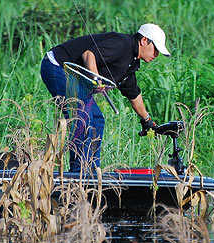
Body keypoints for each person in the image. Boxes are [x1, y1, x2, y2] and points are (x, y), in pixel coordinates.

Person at [40, 23, 170, 173]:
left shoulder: (130, 64)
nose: (156, 54)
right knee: (82, 117)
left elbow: (134, 95)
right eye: (156, 49)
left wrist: (147, 120)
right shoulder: (123, 44)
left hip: (74, 76)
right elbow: (89, 54)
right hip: (57, 66)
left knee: (97, 120)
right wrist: (95, 78)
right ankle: (78, 174)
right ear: (144, 40)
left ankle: (92, 172)